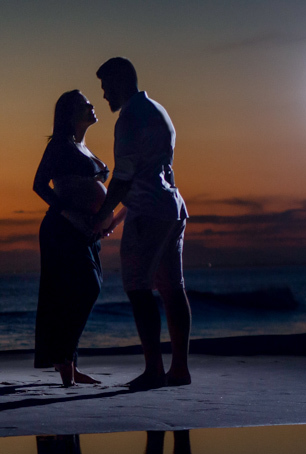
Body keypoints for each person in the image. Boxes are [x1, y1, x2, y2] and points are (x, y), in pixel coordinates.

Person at [93, 57, 191, 391]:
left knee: (138, 288)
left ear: (120, 82)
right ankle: (178, 369)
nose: (105, 96)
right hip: (172, 208)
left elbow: (124, 177)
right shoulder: (158, 111)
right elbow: (152, 174)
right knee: (172, 289)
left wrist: (103, 213)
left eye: (106, 88)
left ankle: (153, 370)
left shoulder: (129, 118)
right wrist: (120, 216)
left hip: (149, 213)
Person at [31, 90, 123, 386]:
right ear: (71, 113)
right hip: (63, 230)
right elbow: (39, 185)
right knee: (87, 287)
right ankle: (64, 359)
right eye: (86, 104)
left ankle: (69, 363)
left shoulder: (84, 147)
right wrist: (69, 213)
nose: (93, 106)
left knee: (74, 294)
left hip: (88, 231)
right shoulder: (60, 146)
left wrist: (106, 221)